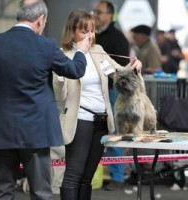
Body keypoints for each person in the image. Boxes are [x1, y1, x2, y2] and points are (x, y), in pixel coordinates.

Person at [0, 0, 90, 199]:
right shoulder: (46, 45)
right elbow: (75, 70)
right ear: (40, 20)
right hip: (36, 133)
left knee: (0, 193)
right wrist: (81, 52)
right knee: (41, 193)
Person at [53, 9, 142, 200]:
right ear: (72, 32)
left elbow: (117, 73)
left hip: (101, 120)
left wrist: (133, 68)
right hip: (79, 120)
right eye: (84, 32)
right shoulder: (62, 55)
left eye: (92, 31)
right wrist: (62, 74)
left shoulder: (99, 51)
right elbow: (59, 95)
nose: (90, 36)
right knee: (73, 176)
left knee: (87, 177)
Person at [94, 0, 129, 191]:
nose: (95, 15)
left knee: (114, 133)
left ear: (109, 15)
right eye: (94, 11)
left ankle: (118, 176)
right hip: (94, 91)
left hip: (113, 92)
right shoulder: (93, 36)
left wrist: (106, 70)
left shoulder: (117, 38)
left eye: (98, 12)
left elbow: (120, 69)